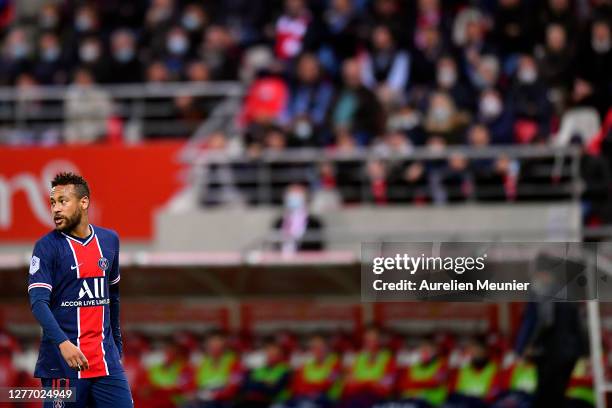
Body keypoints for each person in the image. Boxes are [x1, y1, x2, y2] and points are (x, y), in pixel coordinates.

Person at [27, 172, 132, 407]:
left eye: (63, 201)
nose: (55, 209)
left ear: (84, 202)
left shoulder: (109, 240)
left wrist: (116, 344)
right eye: (52, 203)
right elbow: (38, 302)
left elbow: (112, 295)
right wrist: (64, 344)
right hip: (61, 366)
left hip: (106, 363)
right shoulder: (46, 247)